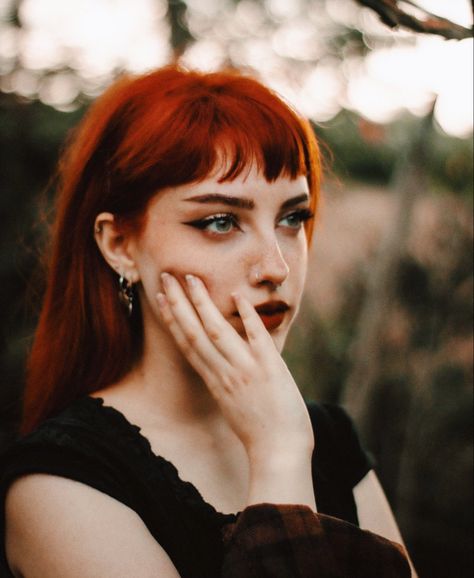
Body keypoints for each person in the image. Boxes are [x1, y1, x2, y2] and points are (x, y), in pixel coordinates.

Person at [0, 66, 414, 577]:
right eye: (220, 221)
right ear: (119, 245)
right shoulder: (60, 487)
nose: (275, 268)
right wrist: (279, 461)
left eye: (293, 218)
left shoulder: (329, 440)